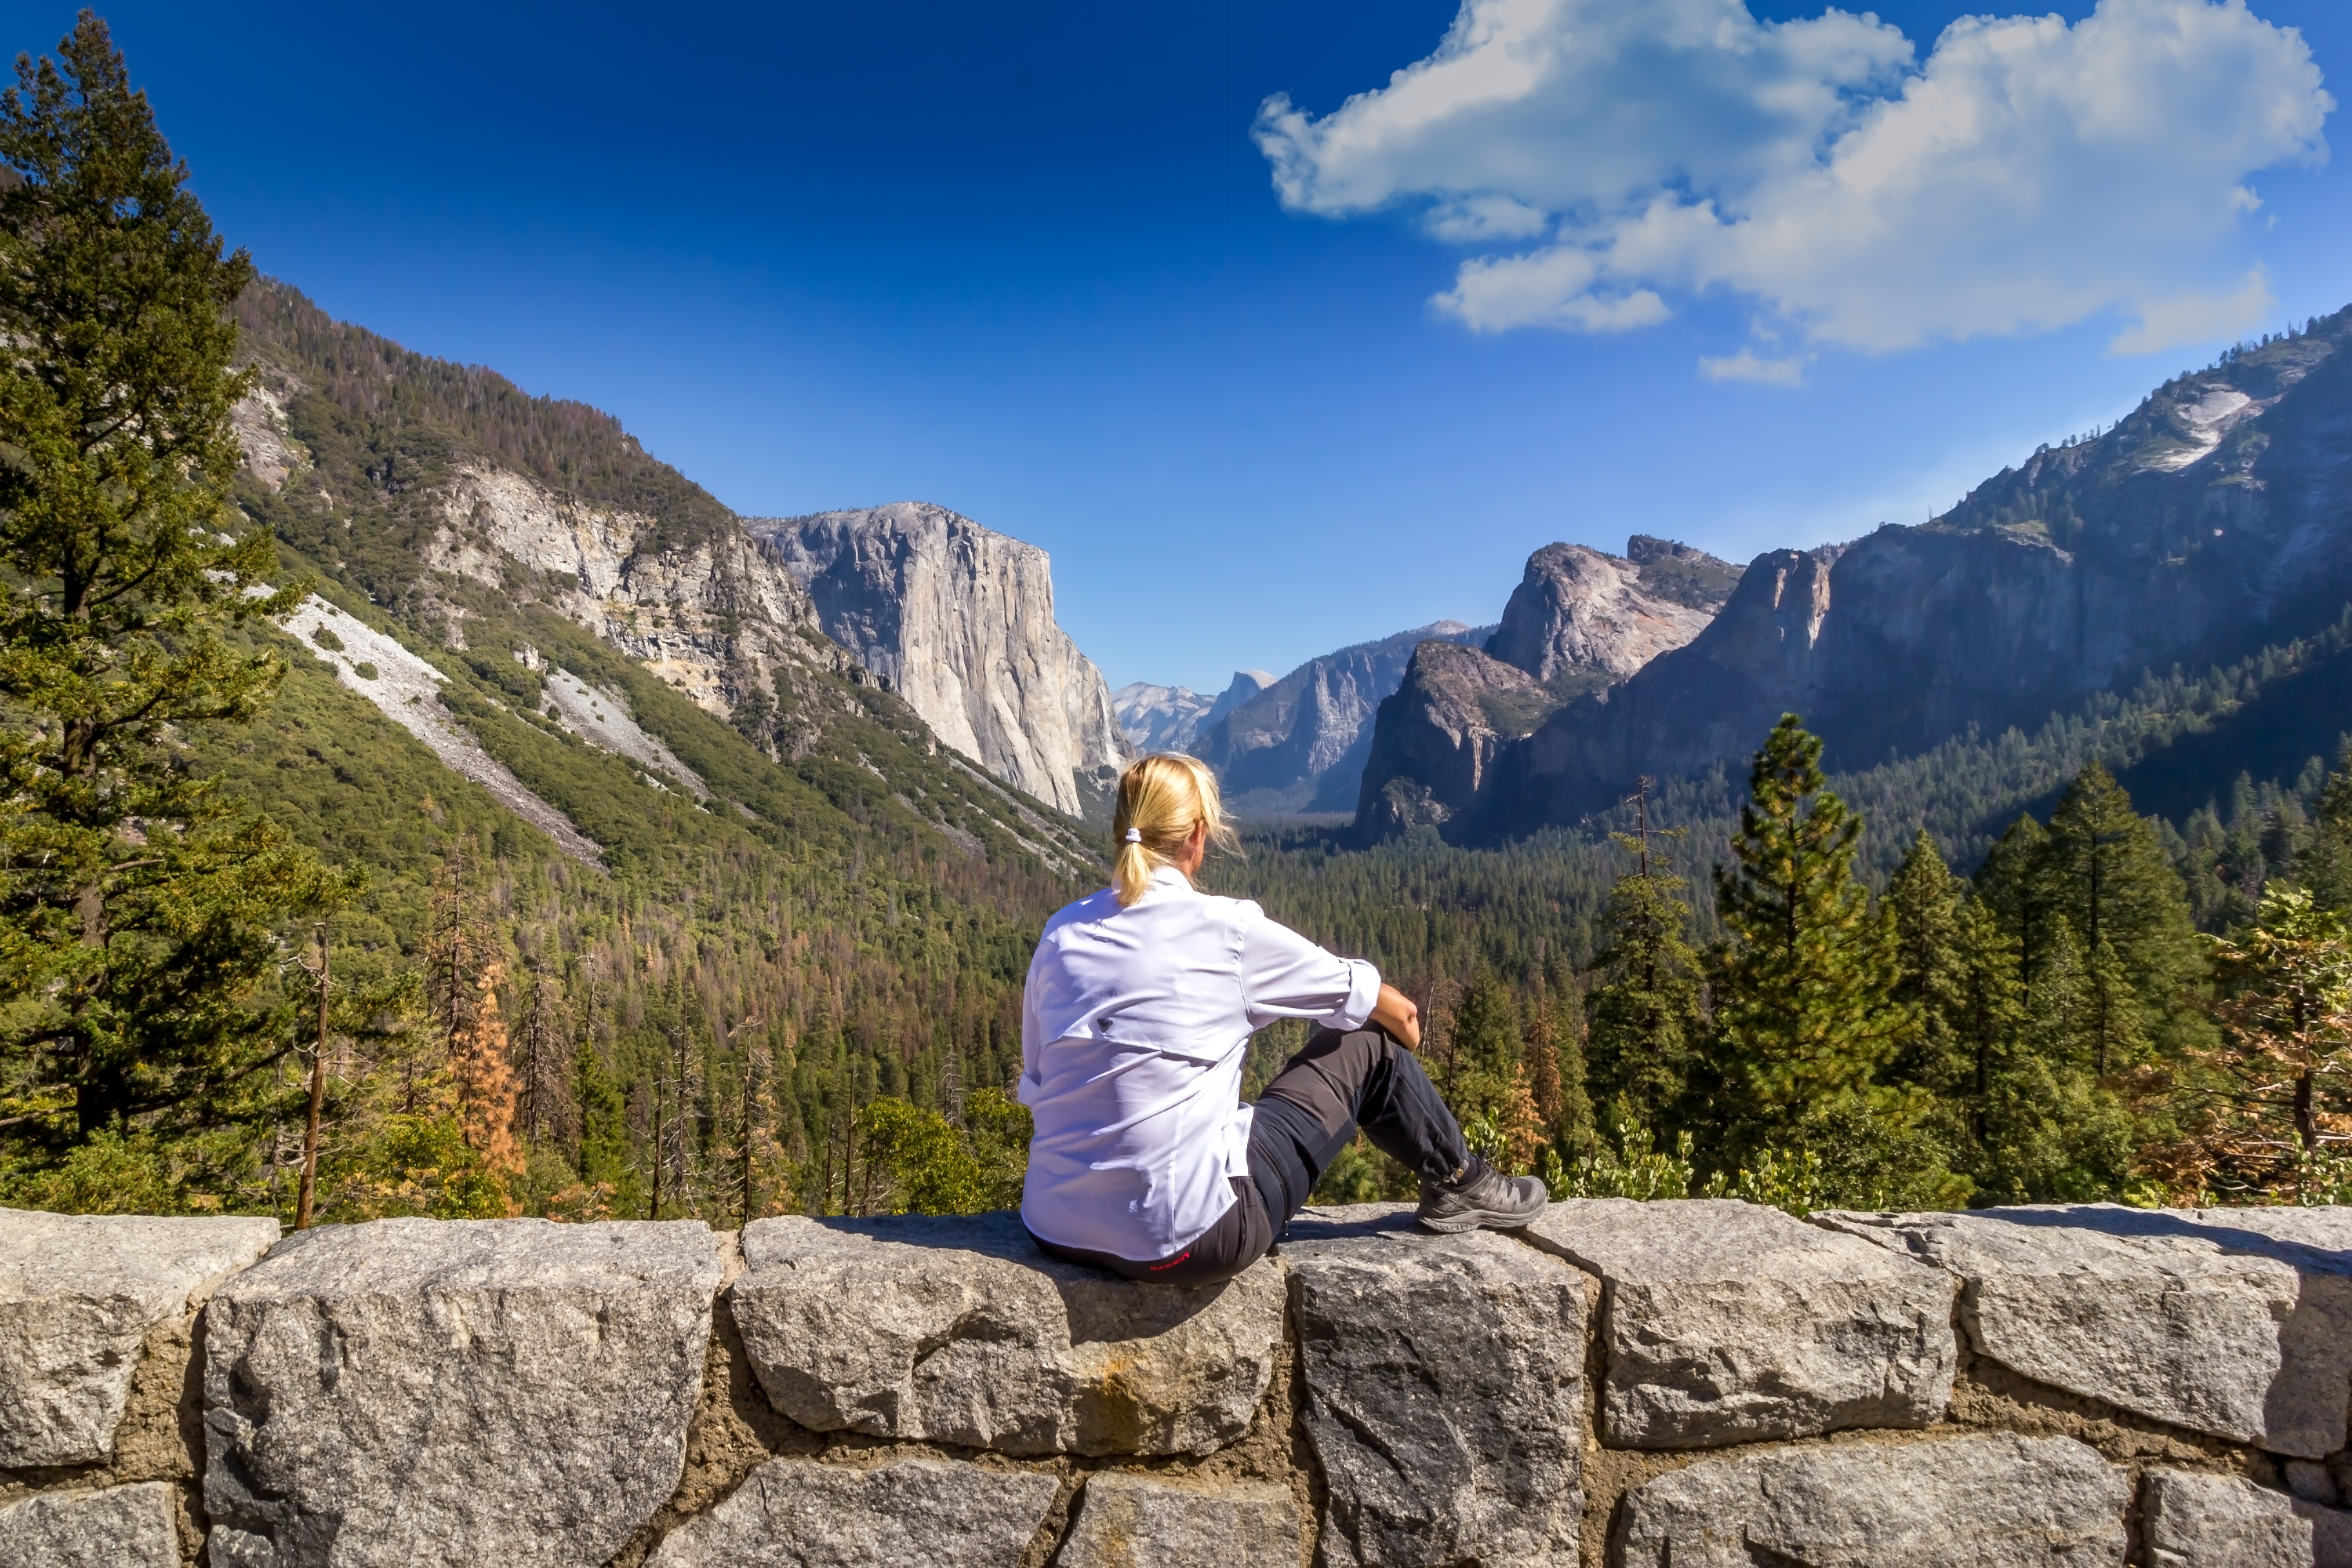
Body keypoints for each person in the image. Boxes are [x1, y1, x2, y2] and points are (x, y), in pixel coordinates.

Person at [1017, 752, 1546, 1284]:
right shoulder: (1227, 931)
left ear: (1119, 831)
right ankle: (1462, 1181)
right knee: (1369, 1043)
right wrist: (1407, 1036)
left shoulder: (1060, 934)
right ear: (1197, 837)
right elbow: (1392, 1010)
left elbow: (1039, 1078)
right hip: (1186, 1242)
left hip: (1052, 1227)